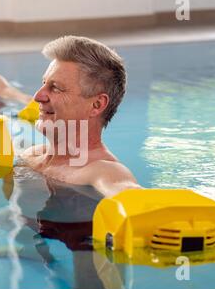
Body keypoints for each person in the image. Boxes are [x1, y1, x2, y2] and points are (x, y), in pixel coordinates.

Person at [21, 35, 141, 198]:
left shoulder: (103, 171)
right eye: (44, 84)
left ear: (96, 105)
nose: (37, 96)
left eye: (56, 88)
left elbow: (135, 199)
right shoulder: (32, 156)